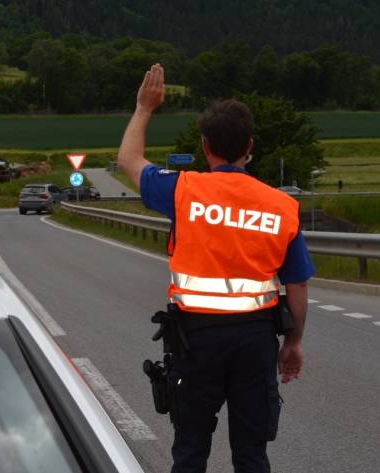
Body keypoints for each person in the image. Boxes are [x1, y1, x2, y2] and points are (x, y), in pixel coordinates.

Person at [118, 64, 313, 473]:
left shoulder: (183, 190)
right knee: (252, 454)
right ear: (250, 145)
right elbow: (296, 285)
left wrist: (143, 108)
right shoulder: (281, 207)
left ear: (205, 146)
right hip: (255, 343)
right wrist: (292, 343)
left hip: (196, 342)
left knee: (190, 451)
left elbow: (129, 160)